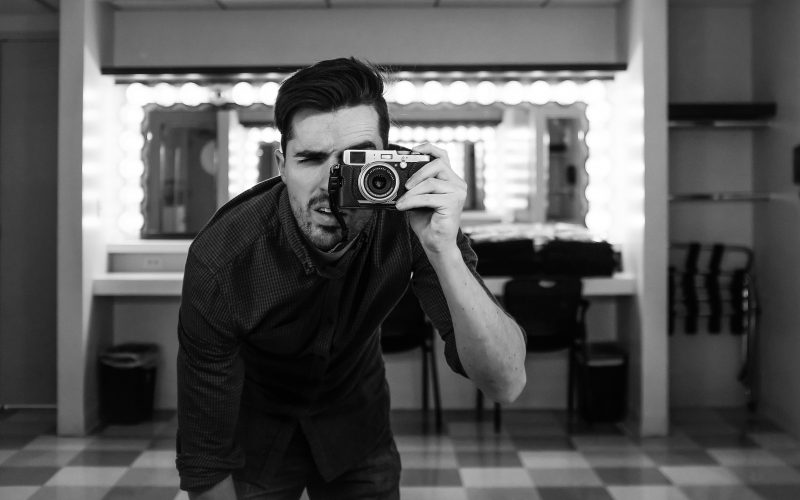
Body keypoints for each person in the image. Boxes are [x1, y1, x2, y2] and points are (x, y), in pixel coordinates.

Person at [176, 57, 527, 500]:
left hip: (356, 423)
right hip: (256, 432)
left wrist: (444, 250)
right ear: (281, 165)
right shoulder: (223, 259)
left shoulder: (410, 214)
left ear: (384, 158)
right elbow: (205, 455)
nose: (333, 184)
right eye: (311, 159)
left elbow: (505, 383)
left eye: (356, 162)